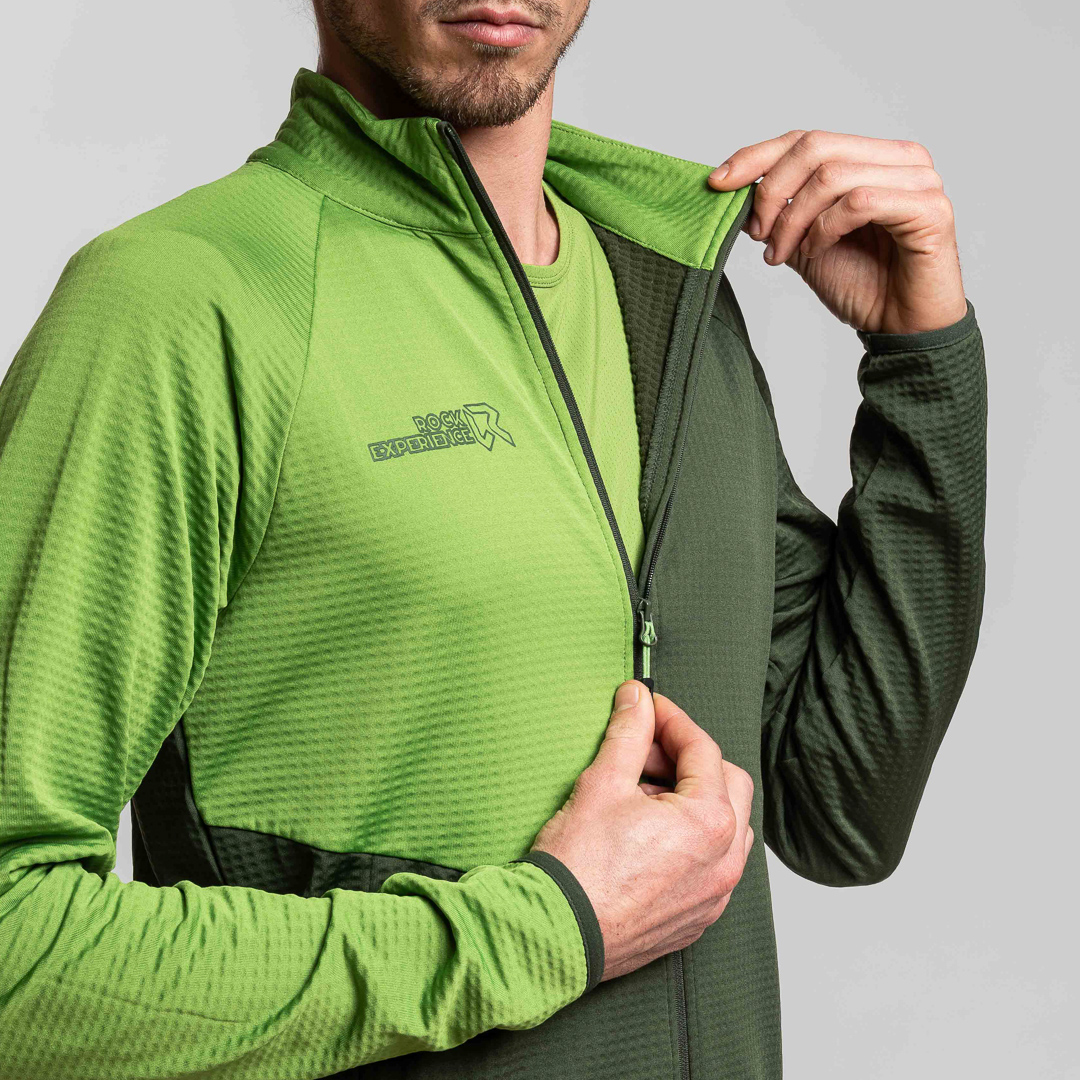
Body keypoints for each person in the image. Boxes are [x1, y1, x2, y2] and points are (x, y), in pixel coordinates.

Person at [0, 1, 986, 1077]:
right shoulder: (183, 304)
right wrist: (540, 932)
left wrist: (923, 362)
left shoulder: (665, 295)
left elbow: (839, 807)